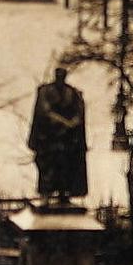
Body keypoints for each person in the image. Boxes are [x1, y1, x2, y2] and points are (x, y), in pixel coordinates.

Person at [27, 66, 88, 202]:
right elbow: (45, 111)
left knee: (66, 166)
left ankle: (64, 194)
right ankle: (46, 195)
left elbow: (79, 112)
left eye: (63, 75)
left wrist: (73, 122)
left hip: (67, 138)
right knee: (47, 167)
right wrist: (63, 121)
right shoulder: (45, 91)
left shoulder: (72, 92)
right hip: (48, 137)